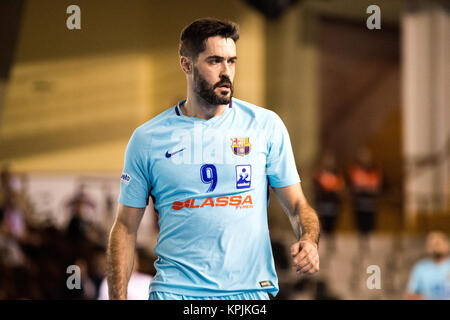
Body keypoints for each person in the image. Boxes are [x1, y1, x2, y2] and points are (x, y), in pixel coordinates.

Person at [106, 18, 320, 300]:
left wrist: (308, 239)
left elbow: (297, 205)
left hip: (247, 295)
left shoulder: (265, 126)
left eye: (231, 61)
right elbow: (124, 227)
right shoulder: (147, 139)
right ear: (186, 65)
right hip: (175, 293)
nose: (226, 72)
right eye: (215, 61)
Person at [313, 152, 344, 256]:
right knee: (324, 225)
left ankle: (331, 244)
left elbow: (340, 189)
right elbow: (316, 190)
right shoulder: (319, 175)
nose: (329, 162)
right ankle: (325, 245)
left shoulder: (337, 175)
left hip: (333, 205)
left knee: (332, 226)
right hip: (323, 205)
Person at [405, 231, 450, 300]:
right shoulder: (420, 267)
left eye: (438, 243)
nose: (435, 246)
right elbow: (410, 295)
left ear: (447, 245)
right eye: (432, 244)